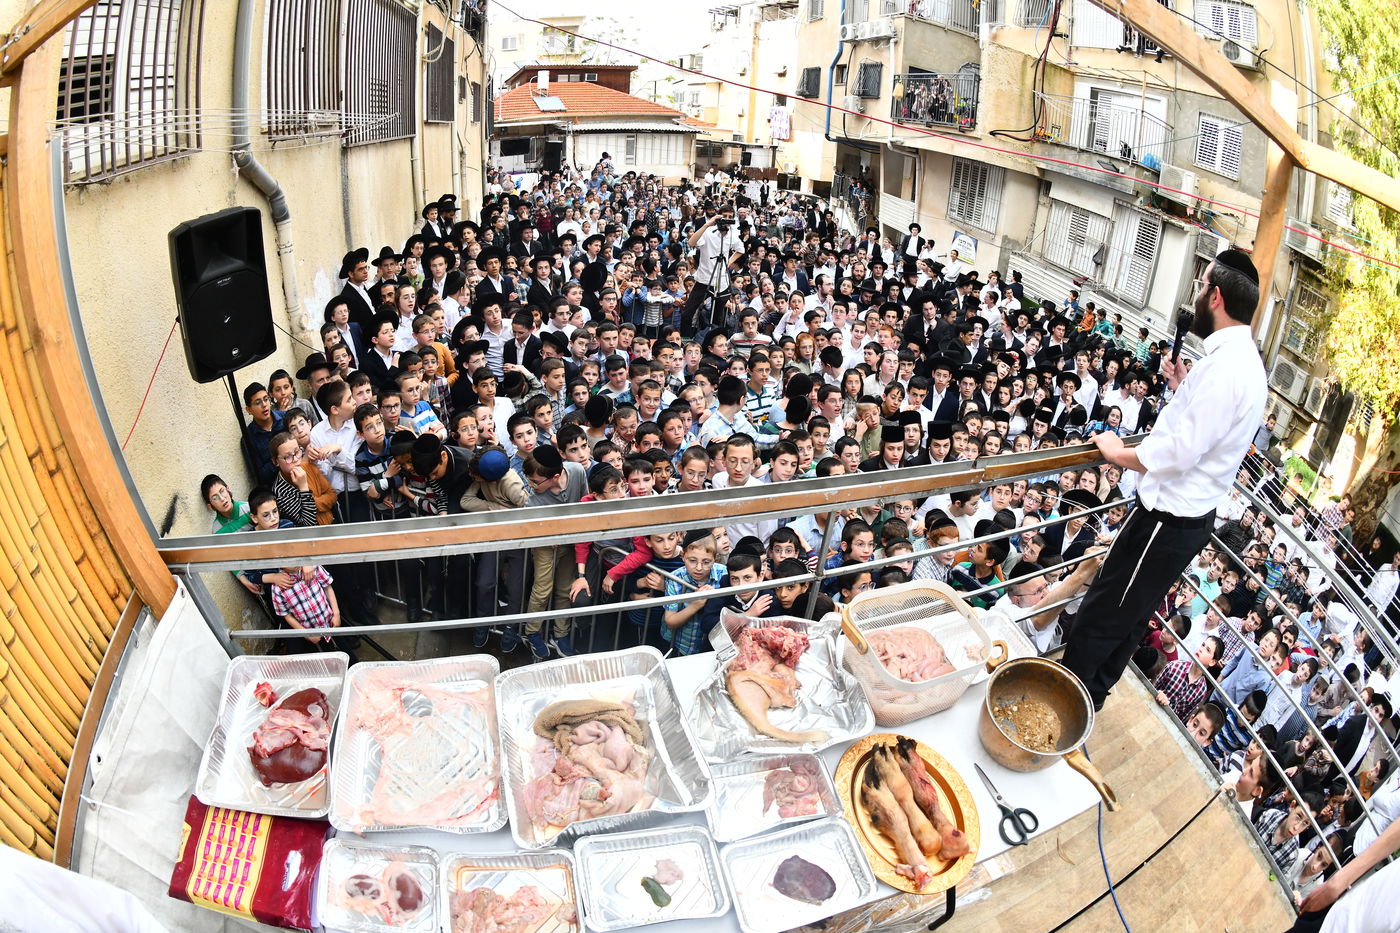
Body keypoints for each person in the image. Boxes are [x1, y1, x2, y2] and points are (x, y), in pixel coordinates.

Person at [1062, 250, 1268, 711]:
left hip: (1167, 519)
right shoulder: (1243, 363)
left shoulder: (1226, 368)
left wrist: (1119, 453)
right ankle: (1089, 701)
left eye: (1201, 286)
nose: (1195, 294)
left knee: (1105, 611)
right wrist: (1182, 387)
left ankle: (1064, 705)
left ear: (1215, 296)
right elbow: (1205, 429)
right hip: (1185, 519)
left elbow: (1179, 451)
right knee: (1131, 613)